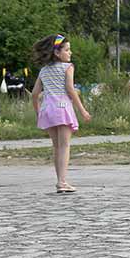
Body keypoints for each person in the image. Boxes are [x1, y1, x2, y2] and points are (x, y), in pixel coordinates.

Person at [30, 34, 91, 194]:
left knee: (56, 147)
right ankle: (62, 182)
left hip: (47, 110)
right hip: (62, 108)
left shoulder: (43, 70)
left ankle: (60, 181)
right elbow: (70, 89)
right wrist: (82, 110)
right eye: (67, 50)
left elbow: (35, 94)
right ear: (57, 53)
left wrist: (38, 112)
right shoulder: (68, 67)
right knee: (64, 146)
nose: (70, 53)